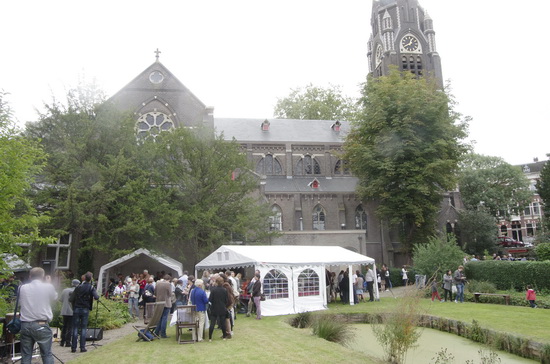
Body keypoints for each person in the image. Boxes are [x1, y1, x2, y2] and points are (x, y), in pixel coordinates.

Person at [19, 267, 58, 364]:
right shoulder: (47, 287)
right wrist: (49, 283)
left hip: (25, 323)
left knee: (26, 355)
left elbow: (20, 302)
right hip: (41, 324)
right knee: (46, 354)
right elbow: (54, 297)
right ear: (43, 276)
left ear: (30, 276)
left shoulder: (22, 288)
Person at [71, 272, 99, 353]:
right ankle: (82, 347)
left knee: (75, 328)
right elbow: (96, 297)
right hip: (85, 308)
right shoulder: (91, 287)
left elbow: (71, 298)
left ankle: (73, 347)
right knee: (83, 328)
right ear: (90, 279)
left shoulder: (78, 287)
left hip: (77, 308)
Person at [59, 279, 79, 347]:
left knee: (64, 326)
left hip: (64, 310)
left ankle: (62, 341)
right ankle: (68, 342)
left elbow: (61, 300)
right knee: (70, 327)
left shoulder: (65, 290)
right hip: (71, 311)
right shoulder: (76, 291)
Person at [209, 277, 229, 341]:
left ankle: (210, 338)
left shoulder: (213, 290)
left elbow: (210, 299)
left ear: (216, 282)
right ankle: (224, 336)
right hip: (222, 308)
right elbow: (226, 300)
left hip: (214, 308)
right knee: (223, 323)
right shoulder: (224, 290)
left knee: (212, 323)